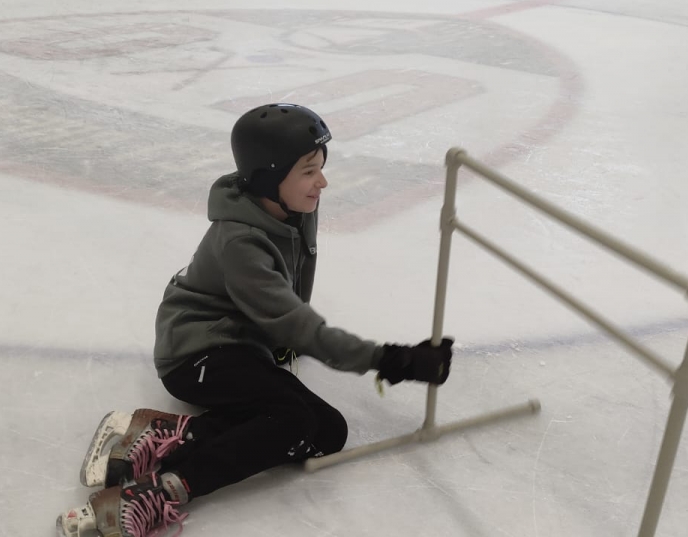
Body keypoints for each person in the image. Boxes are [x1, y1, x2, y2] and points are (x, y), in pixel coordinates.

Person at [55, 103, 455, 537]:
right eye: (308, 171)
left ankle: (166, 432)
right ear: (268, 177)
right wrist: (390, 359)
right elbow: (297, 323)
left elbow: (290, 297)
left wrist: (281, 341)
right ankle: (161, 491)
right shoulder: (241, 242)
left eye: (321, 168)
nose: (322, 182)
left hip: (241, 343)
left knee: (327, 433)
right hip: (195, 353)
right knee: (292, 421)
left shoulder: (292, 208)